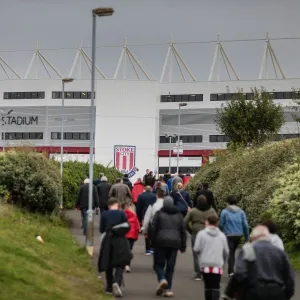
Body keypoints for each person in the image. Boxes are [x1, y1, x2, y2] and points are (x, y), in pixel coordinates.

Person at [227, 225, 295, 300]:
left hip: (255, 292)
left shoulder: (248, 249)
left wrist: (230, 294)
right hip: (277, 292)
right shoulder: (279, 252)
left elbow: (240, 273)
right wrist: (286, 295)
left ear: (254, 237)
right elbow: (290, 277)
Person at [151, 196, 187, 298]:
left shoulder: (159, 214)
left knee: (158, 264)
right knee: (170, 267)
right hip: (175, 243)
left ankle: (162, 278)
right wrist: (183, 246)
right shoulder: (179, 215)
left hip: (161, 242)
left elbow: (153, 228)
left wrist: (152, 243)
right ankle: (168, 289)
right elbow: (183, 231)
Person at [98, 198, 132, 297]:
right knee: (120, 263)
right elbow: (127, 226)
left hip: (108, 241)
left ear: (109, 206)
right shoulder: (121, 214)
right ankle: (116, 281)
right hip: (120, 240)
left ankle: (109, 287)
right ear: (117, 205)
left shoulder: (104, 214)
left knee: (108, 264)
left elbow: (101, 229)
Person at [194, 215, 229, 300]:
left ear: (207, 222)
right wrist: (223, 262)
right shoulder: (222, 235)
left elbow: (196, 248)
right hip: (217, 264)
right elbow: (226, 251)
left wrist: (201, 255)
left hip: (205, 263)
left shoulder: (201, 234)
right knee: (216, 286)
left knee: (208, 286)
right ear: (217, 223)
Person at [184, 195, 218, 280]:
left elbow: (184, 222)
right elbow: (217, 221)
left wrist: (190, 230)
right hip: (209, 233)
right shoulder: (211, 210)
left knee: (196, 254)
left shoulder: (193, 211)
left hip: (196, 233)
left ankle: (198, 273)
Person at [219, 195, 249, 277]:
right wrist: (247, 237)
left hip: (228, 234)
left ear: (228, 202)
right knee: (233, 251)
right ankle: (231, 270)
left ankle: (231, 271)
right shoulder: (241, 212)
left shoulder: (224, 212)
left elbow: (221, 224)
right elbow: (245, 225)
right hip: (239, 234)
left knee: (231, 253)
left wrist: (221, 231)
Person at [143, 188, 165, 255]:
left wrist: (145, 230)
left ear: (157, 196)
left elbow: (146, 220)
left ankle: (149, 249)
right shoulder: (167, 206)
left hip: (153, 227)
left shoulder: (152, 206)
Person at [123, 203, 140, 273]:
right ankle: (127, 265)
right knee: (129, 249)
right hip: (131, 236)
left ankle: (124, 264)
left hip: (124, 235)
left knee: (124, 250)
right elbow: (137, 228)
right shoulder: (134, 216)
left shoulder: (122, 215)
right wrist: (136, 237)